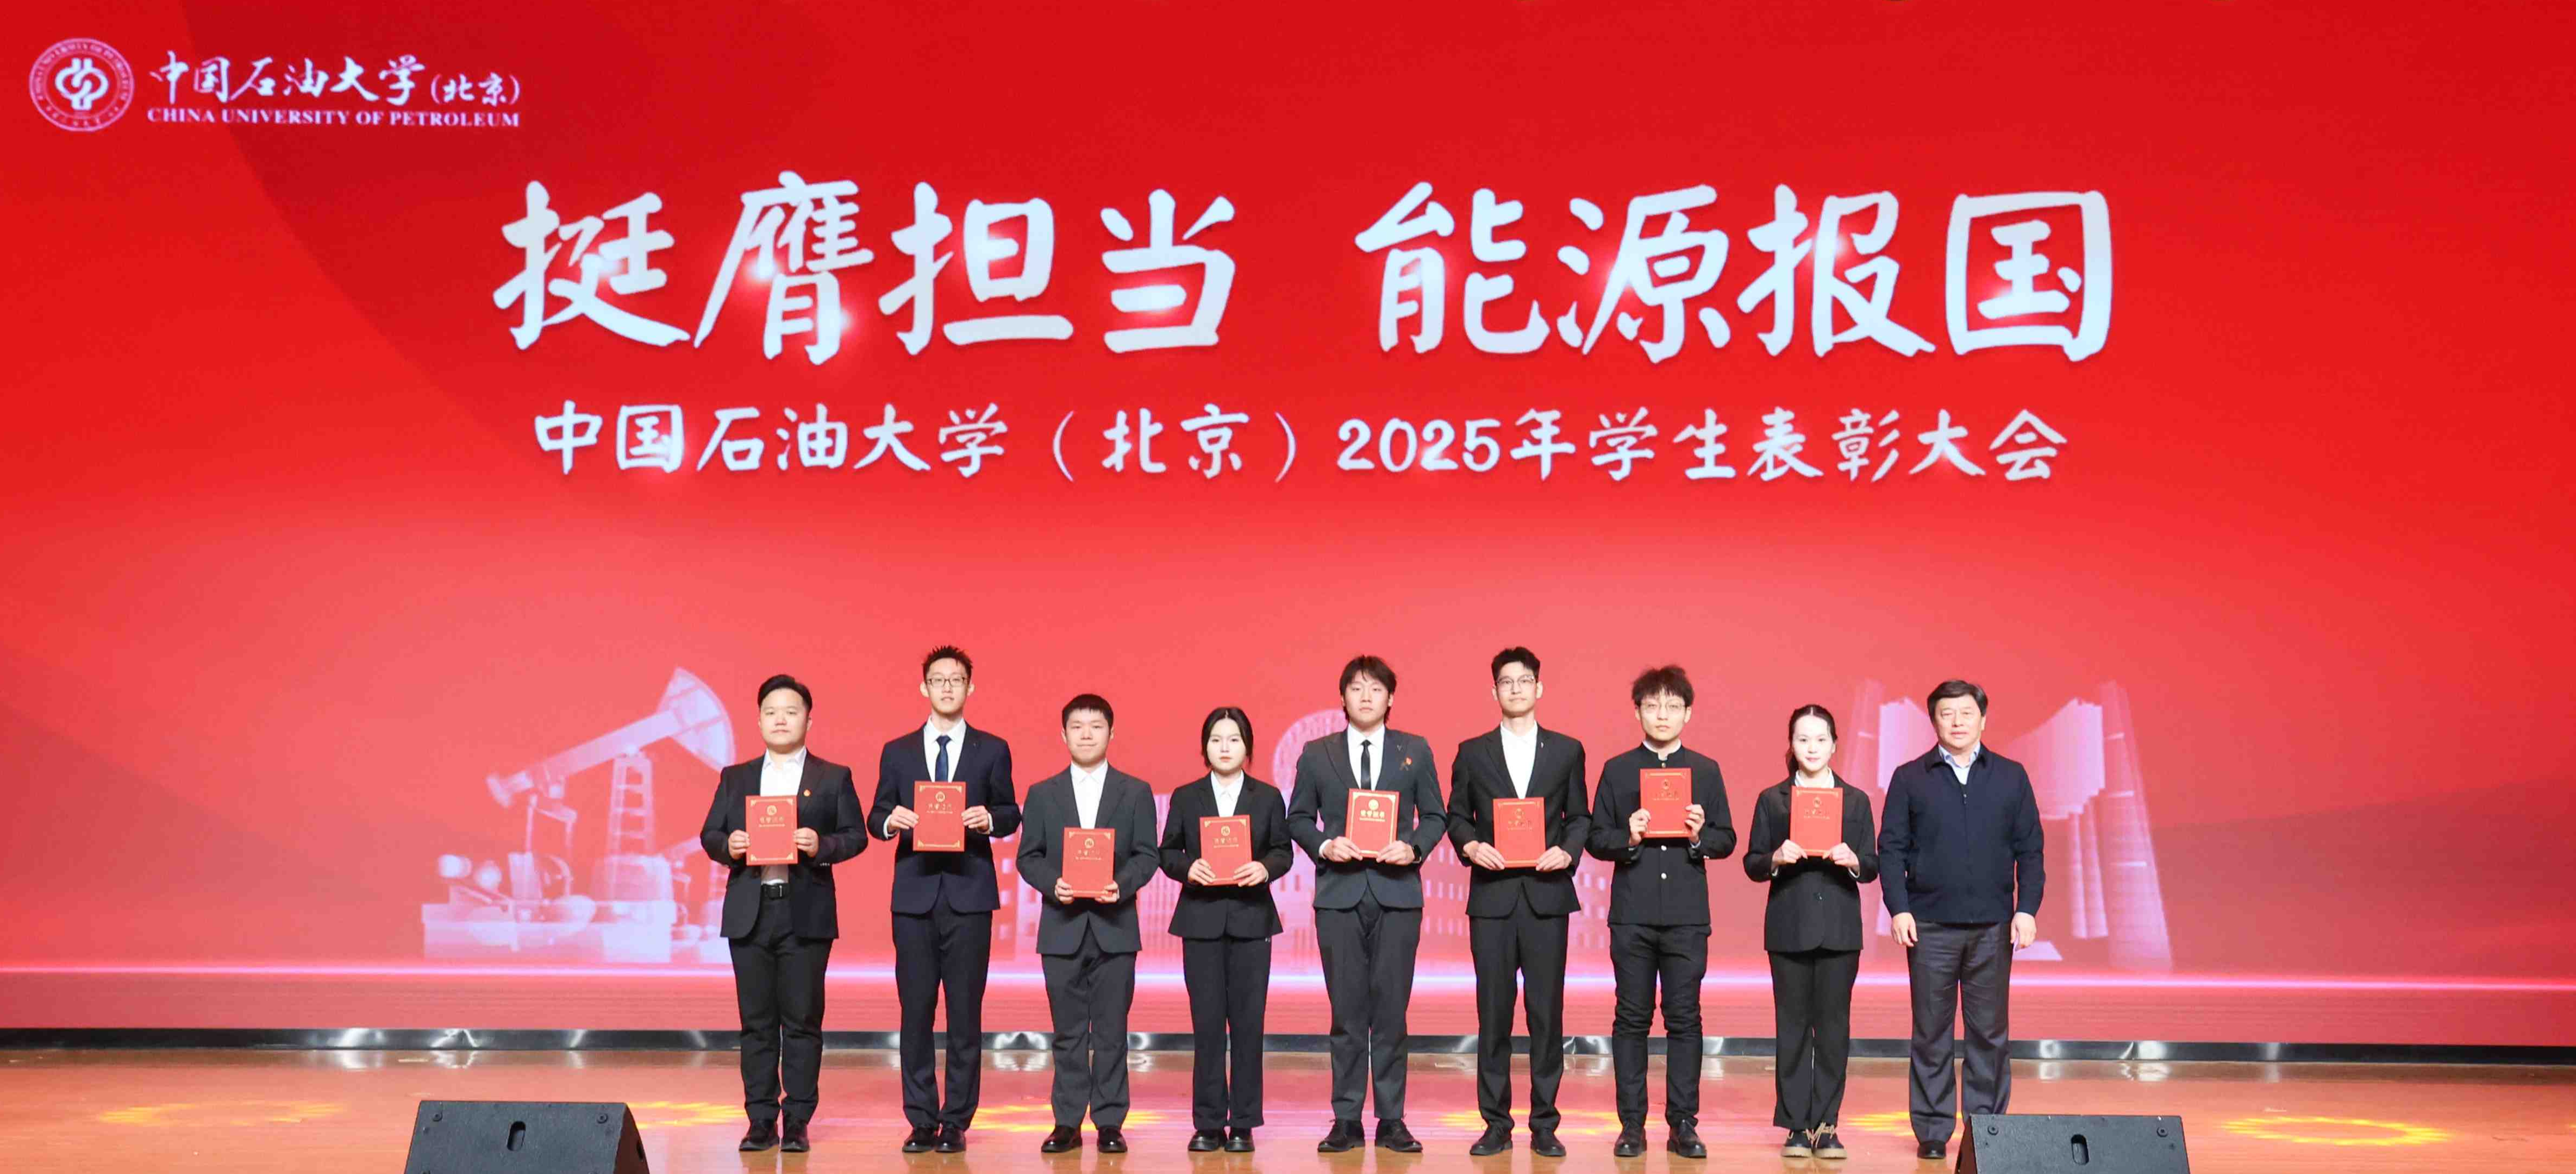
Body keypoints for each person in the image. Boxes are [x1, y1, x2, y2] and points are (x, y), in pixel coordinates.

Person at [697, 674, 866, 1154]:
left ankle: (797, 1119)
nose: (781, 719)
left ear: (808, 720)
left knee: (802, 1021)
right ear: (758, 721)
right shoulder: (736, 776)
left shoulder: (832, 776)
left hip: (804, 912)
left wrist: (821, 844)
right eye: (771, 711)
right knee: (756, 1022)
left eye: (791, 711)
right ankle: (760, 1118)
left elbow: (856, 835)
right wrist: (729, 845)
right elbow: (710, 834)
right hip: (751, 911)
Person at [1286, 654, 1447, 1154]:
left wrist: (1413, 848)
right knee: (1347, 1012)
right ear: (1343, 697)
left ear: (1390, 697)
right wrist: (1324, 845)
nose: (1365, 696)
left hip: (1397, 894)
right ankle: (1347, 1117)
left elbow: (1436, 816)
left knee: (1393, 1012)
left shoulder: (1414, 750)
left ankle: (1392, 1119)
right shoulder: (1317, 753)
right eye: (1356, 688)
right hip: (1339, 894)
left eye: (1376, 688)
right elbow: (1297, 818)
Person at [1878, 680, 2045, 1161]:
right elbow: (1891, 849)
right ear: (1934, 720)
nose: (1957, 721)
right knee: (1931, 1033)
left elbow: (2031, 849)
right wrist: (1899, 907)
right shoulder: (1910, 777)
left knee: (1989, 1033)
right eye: (1947, 713)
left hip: (1994, 926)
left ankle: (1987, 1129)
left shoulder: (2011, 776)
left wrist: (2027, 909)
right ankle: (1933, 1131)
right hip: (1929, 925)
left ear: (1983, 720)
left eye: (1966, 712)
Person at [868, 646, 1020, 1153]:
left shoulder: (992, 748)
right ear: (924, 687)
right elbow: (875, 815)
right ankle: (921, 1118)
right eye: (939, 679)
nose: (948, 687)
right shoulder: (897, 750)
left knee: (965, 1013)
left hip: (969, 894)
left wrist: (990, 819)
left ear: (970, 687)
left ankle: (956, 1119)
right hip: (914, 895)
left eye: (957, 679)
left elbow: (1010, 811)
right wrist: (892, 821)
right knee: (915, 1010)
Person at [1585, 665, 1735, 1158]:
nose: (1662, 715)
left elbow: (1727, 839)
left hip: (1687, 916)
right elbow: (1596, 838)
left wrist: (1698, 835)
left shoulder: (1707, 770)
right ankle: (1632, 1124)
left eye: (1672, 706)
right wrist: (1628, 836)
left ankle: (1683, 1123)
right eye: (1652, 706)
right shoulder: (1617, 769)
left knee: (1685, 1018)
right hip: (1633, 914)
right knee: (1631, 1019)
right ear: (1638, 713)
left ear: (1688, 713)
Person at [1447, 647, 1589, 1157]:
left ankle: (1545, 1123)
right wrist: (1471, 846)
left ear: (1539, 688)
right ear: (1494, 691)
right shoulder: (1472, 751)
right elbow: (1456, 815)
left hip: (1547, 897)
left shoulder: (1567, 750)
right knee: (1494, 1014)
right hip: (1493, 898)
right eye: (1506, 681)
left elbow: (1580, 816)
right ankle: (1496, 1122)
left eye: (1524, 680)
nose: (1516, 688)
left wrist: (1567, 850)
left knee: (1547, 1014)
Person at [1016, 694, 1161, 1154]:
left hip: (1115, 927)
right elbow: (1028, 856)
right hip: (1061, 927)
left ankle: (1110, 1121)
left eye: (1096, 726)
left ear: (1111, 733)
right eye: (1077, 726)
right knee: (1068, 1033)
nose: (1086, 734)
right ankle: (1067, 1121)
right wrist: (1051, 884)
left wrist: (1122, 884)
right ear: (1063, 735)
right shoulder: (1042, 793)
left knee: (1113, 1031)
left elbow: (1148, 854)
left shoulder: (1135, 791)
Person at [1744, 704, 1879, 1161]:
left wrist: (1854, 860)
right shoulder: (1773, 799)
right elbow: (1752, 862)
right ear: (1792, 744)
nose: (1812, 748)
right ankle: (1796, 1125)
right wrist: (1776, 858)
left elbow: (1872, 864)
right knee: (1793, 1028)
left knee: (1835, 1028)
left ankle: (1828, 1123)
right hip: (1789, 927)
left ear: (1835, 745)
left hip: (1840, 929)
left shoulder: (1855, 800)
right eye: (1803, 739)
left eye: (1821, 739)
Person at [1159, 706, 1295, 1153]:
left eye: (1234, 739)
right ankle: (1208, 1122)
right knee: (1207, 1025)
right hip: (1201, 920)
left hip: (1251, 919)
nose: (1224, 747)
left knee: (1249, 1024)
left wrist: (1264, 867)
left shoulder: (1267, 796)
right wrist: (1187, 867)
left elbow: (1283, 851)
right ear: (1205, 747)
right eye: (1216, 739)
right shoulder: (1186, 796)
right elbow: (1167, 851)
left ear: (1247, 747)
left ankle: (1244, 1123)